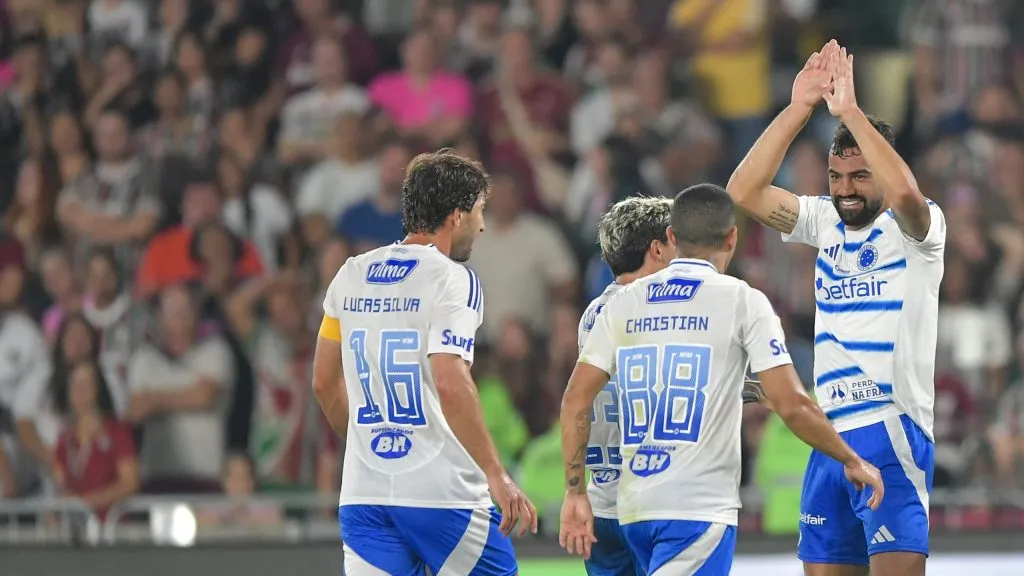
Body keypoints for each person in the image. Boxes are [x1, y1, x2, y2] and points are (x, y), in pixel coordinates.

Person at [559, 184, 884, 575]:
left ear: (674, 238)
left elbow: (576, 400)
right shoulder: (741, 300)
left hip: (630, 505)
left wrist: (575, 491)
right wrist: (850, 458)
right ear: (733, 238)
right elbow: (792, 404)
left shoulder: (618, 305)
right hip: (695, 506)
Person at [726, 41, 944, 576]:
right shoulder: (824, 222)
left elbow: (909, 197)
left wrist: (848, 111)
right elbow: (743, 191)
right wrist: (800, 107)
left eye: (860, 176)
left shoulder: (917, 231)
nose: (845, 190)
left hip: (891, 429)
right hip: (828, 435)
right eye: (836, 178)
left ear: (884, 175)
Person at [312, 149, 538, 575]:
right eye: (478, 212)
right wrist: (496, 473)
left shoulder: (351, 273)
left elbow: (323, 381)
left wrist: (367, 440)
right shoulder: (453, 279)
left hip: (365, 496)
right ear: (455, 216)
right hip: (442, 495)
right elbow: (450, 381)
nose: (483, 224)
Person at [577, 196, 676, 576]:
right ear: (657, 249)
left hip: (602, 498)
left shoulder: (593, 312)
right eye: (675, 243)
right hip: (649, 501)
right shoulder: (653, 308)